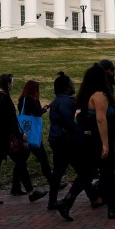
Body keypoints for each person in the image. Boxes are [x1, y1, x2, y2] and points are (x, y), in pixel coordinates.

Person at [56, 63, 115, 221]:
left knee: (88, 173)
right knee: (107, 173)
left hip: (87, 140)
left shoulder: (85, 94)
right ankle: (112, 209)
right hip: (98, 140)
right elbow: (101, 119)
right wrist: (105, 144)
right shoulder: (99, 95)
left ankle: (67, 201)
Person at [0, 74, 46, 206]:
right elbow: (10, 120)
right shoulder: (4, 99)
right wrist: (19, 134)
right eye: (11, 82)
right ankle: (30, 193)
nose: (13, 85)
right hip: (5, 140)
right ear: (7, 84)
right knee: (19, 163)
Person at [11, 80, 54, 197]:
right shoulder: (30, 99)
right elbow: (37, 113)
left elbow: (30, 113)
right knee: (43, 158)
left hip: (24, 132)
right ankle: (53, 183)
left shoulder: (22, 100)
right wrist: (41, 106)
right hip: (31, 134)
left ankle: (15, 186)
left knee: (21, 161)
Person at [47, 72, 76, 209]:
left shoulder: (56, 100)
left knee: (58, 170)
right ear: (66, 87)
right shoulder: (66, 101)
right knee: (81, 170)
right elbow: (67, 121)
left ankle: (52, 201)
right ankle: (91, 196)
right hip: (63, 140)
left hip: (55, 138)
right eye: (70, 83)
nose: (72, 85)